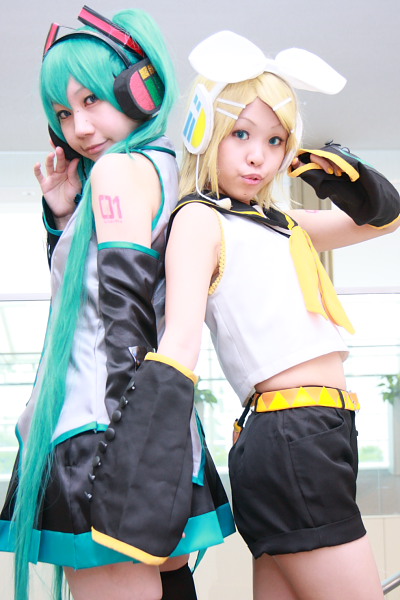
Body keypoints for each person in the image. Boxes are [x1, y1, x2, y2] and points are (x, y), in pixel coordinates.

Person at [156, 31, 400, 599]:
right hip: (292, 433)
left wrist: (328, 172)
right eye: (240, 133)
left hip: (317, 432)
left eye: (274, 140)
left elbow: (385, 218)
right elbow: (180, 339)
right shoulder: (200, 219)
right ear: (205, 132)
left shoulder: (282, 225)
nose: (257, 155)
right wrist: (152, 447)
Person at [0, 10, 234, 600]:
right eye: (63, 113)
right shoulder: (161, 169)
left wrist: (128, 455)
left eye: (92, 100)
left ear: (140, 88)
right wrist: (63, 218)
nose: (78, 127)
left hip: (100, 431)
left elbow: (123, 322)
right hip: (138, 426)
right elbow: (95, 303)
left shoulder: (119, 172)